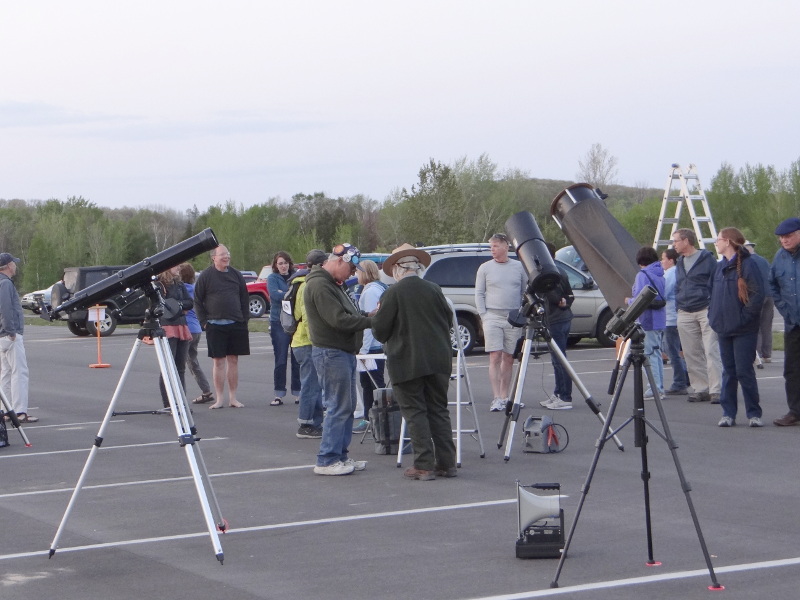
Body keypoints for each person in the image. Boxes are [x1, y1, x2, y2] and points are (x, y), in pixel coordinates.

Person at [372, 243, 457, 481]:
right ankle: (447, 463)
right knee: (439, 410)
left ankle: (424, 464)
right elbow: (448, 320)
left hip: (407, 361)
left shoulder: (393, 293)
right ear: (417, 267)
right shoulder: (434, 289)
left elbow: (380, 330)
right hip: (438, 359)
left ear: (398, 269)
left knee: (415, 412)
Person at [304, 243, 372, 475]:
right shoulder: (320, 285)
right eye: (352, 269)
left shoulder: (332, 284)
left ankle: (340, 455)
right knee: (337, 406)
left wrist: (368, 315)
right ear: (340, 261)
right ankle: (327, 459)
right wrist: (372, 321)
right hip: (331, 352)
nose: (354, 273)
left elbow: (349, 314)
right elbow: (339, 320)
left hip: (340, 352)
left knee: (347, 405)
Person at [709, 227, 765, 427]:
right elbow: (712, 293)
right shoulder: (719, 267)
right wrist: (713, 316)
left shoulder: (749, 265)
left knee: (744, 371)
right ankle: (728, 413)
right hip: (723, 327)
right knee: (729, 371)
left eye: (719, 240)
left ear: (729, 242)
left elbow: (757, 297)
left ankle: (754, 413)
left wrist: (743, 318)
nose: (716, 243)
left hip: (743, 329)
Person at [193, 244, 249, 410]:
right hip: (215, 325)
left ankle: (233, 398)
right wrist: (204, 321)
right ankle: (219, 399)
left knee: (233, 360)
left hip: (236, 324)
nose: (227, 257)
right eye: (223, 254)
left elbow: (244, 298)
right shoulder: (206, 276)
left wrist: (244, 320)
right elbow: (197, 300)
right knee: (218, 362)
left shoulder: (236, 275)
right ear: (214, 257)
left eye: (228, 254)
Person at [475, 233, 526, 412]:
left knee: (508, 357)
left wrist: (521, 313)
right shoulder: (485, 268)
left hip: (512, 317)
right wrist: (484, 315)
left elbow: (524, 291)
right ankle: (496, 397)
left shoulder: (518, 267)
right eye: (491, 247)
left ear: (505, 246)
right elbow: (479, 293)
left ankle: (505, 396)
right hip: (492, 316)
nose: (493, 250)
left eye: (496, 246)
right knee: (494, 355)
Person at [672, 228, 722, 403]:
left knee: (711, 350)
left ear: (686, 241)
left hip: (705, 309)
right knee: (691, 352)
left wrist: (713, 305)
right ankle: (701, 388)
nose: (674, 244)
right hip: (685, 310)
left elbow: (717, 283)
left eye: (676, 241)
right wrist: (678, 305)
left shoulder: (707, 260)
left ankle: (717, 389)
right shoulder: (679, 262)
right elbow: (678, 285)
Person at [290, 249, 328, 439]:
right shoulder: (307, 285)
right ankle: (305, 424)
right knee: (311, 385)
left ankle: (314, 423)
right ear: (320, 265)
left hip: (300, 340)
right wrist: (318, 339)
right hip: (306, 342)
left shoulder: (301, 283)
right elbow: (307, 318)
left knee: (313, 384)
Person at [769, 217, 800, 426]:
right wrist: (785, 309)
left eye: (788, 236)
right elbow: (773, 285)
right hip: (793, 323)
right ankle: (795, 412)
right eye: (781, 238)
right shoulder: (779, 257)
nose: (784, 241)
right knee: (792, 370)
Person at [0, 253, 37, 423]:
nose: (15, 266)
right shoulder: (5, 283)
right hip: (9, 334)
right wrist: (12, 331)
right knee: (19, 372)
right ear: (7, 266)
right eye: (13, 263)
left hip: (2, 336)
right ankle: (20, 411)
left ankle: (6, 410)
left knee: (6, 373)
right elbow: (6, 308)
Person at [353, 259, 388, 433]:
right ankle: (376, 419)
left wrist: (363, 351)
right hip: (377, 345)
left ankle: (373, 420)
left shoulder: (370, 292)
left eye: (358, 271)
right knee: (372, 383)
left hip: (372, 348)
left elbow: (368, 325)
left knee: (371, 384)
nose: (355, 274)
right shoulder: (379, 288)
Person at [539, 242, 575, 410]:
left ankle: (566, 397)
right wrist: (565, 301)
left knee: (560, 360)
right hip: (558, 318)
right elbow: (570, 295)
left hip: (557, 320)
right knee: (556, 360)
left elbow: (560, 294)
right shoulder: (558, 271)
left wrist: (562, 302)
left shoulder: (551, 274)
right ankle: (558, 392)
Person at [628, 247, 666, 399]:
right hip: (660, 318)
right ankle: (660, 386)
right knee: (656, 353)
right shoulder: (660, 274)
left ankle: (654, 387)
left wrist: (628, 301)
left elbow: (640, 298)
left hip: (647, 318)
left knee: (647, 354)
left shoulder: (642, 275)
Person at [155, 265, 193, 410]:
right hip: (167, 327)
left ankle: (181, 402)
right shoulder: (159, 285)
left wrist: (176, 305)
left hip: (181, 326)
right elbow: (161, 306)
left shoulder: (180, 284)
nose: (179, 268)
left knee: (180, 368)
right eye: (176, 266)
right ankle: (168, 403)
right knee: (168, 367)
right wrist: (179, 308)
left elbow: (189, 302)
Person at [266, 251, 301, 406]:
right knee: (280, 359)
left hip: (295, 321)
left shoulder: (296, 276)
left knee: (297, 358)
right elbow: (275, 295)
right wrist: (288, 294)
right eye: (280, 263)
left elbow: (299, 295)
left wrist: (285, 294)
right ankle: (279, 393)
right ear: (275, 265)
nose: (283, 266)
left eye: (285, 263)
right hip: (278, 322)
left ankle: (298, 393)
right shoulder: (272, 278)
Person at [179, 263, 214, 405]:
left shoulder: (182, 290)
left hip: (185, 328)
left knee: (180, 362)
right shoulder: (195, 289)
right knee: (192, 361)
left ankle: (179, 394)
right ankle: (206, 390)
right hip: (196, 329)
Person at [660, 248, 690, 394]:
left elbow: (663, 292)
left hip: (671, 317)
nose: (661, 262)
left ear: (671, 260)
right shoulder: (678, 272)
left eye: (663, 259)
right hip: (675, 315)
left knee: (671, 350)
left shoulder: (670, 274)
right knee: (675, 349)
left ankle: (680, 381)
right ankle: (685, 375)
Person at [744, 240, 774, 364]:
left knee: (755, 326)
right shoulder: (764, 260)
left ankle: (758, 354)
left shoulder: (747, 262)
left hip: (757, 295)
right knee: (766, 326)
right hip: (769, 295)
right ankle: (767, 354)